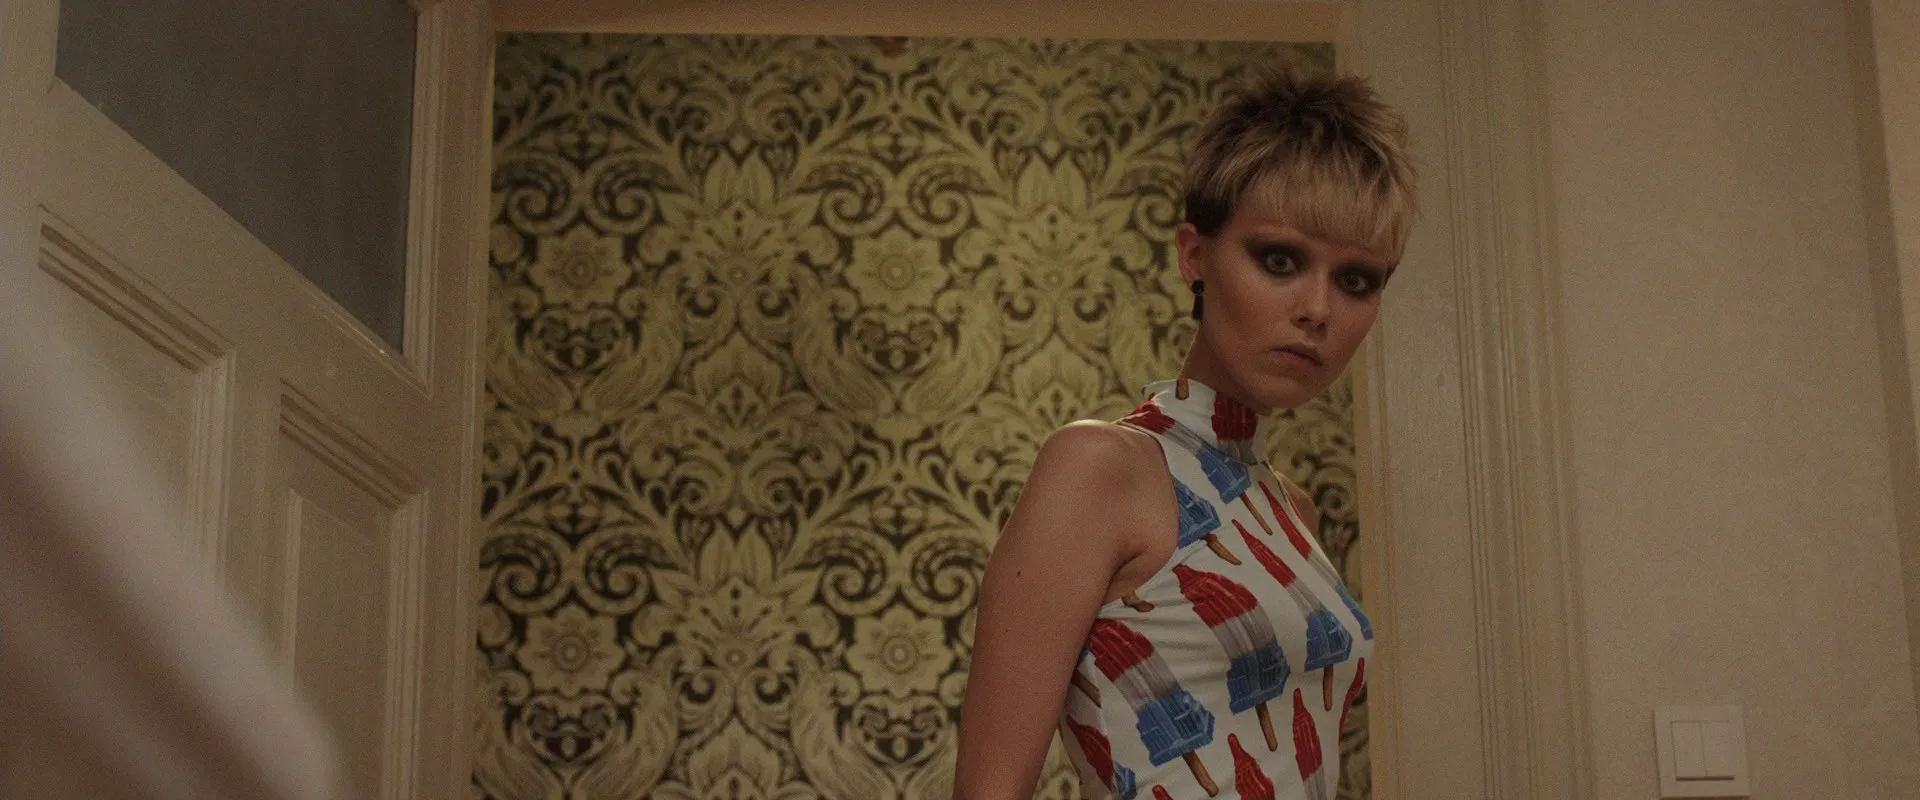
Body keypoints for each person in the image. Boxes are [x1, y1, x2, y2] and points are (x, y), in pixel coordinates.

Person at [952, 64, 1419, 800]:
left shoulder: (1291, 511)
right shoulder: (1099, 468)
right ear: (1195, 257)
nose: (1318, 309)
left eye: (1356, 280)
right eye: (1280, 260)